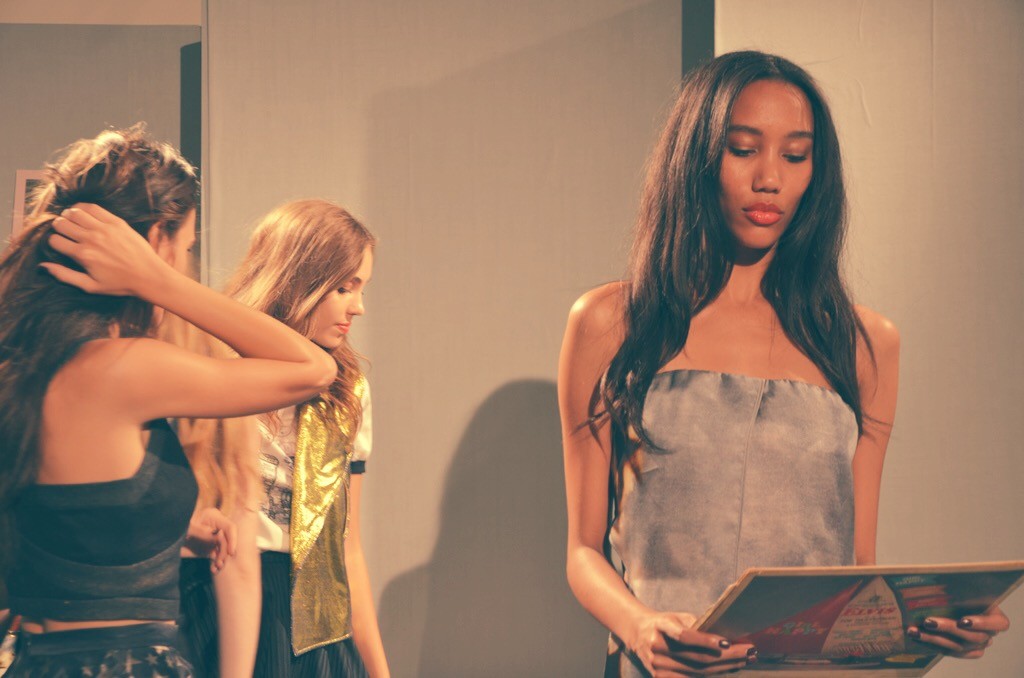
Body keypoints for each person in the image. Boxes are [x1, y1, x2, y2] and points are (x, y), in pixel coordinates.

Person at [557, 51, 1009, 678]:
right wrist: (639, 626)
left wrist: (929, 625)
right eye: (744, 150)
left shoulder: (863, 343)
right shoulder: (610, 323)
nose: (769, 178)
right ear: (695, 158)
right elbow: (583, 550)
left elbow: (855, 567)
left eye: (795, 156)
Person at [0, 127, 336, 676]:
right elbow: (312, 369)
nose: (184, 262)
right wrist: (158, 282)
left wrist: (171, 533)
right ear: (155, 240)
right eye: (186, 248)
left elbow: (64, 527)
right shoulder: (120, 369)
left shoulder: (23, 364)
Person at [179, 199, 389, 677]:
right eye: (343, 288)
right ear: (298, 279)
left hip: (310, 616)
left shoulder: (347, 390)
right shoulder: (212, 366)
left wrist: (379, 670)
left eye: (361, 288)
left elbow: (347, 547)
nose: (358, 307)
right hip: (209, 594)